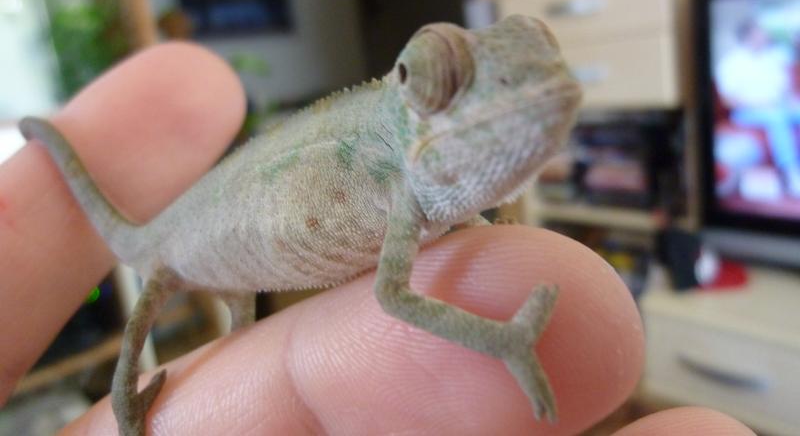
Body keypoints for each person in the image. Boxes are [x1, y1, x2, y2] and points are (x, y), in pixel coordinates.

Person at [0, 43, 753, 434]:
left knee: (243, 346)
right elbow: (395, 297)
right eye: (442, 79)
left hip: (234, 257)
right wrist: (502, 338)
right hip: (176, 244)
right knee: (157, 344)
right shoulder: (396, 163)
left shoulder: (419, 182)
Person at [716, 18, 800, 197]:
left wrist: (790, 101)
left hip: (779, 105)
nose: (764, 36)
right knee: (776, 118)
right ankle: (791, 173)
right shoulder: (730, 63)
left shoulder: (773, 57)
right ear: (748, 36)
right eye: (759, 33)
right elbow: (728, 101)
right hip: (746, 112)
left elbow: (784, 89)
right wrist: (763, 104)